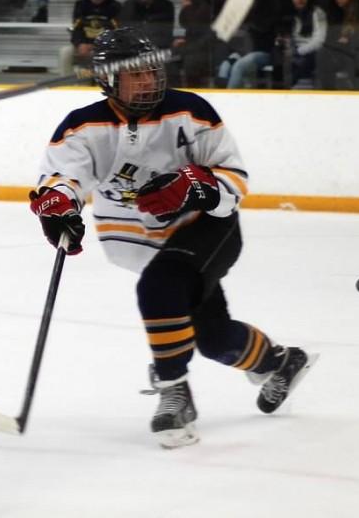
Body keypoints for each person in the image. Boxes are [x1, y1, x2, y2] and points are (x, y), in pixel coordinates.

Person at [28, 27, 316, 448]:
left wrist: (196, 185)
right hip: (135, 242)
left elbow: (233, 176)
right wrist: (60, 208)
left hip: (207, 229)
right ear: (109, 78)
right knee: (210, 335)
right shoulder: (82, 127)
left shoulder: (190, 111)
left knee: (160, 287)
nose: (148, 80)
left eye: (151, 71)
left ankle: (174, 391)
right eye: (136, 74)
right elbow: (62, 178)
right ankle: (280, 362)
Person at [59, 0, 120, 74]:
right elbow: (76, 28)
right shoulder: (80, 5)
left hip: (105, 47)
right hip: (84, 44)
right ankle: (65, 85)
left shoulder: (115, 6)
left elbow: (116, 32)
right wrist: (79, 44)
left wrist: (96, 45)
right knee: (65, 52)